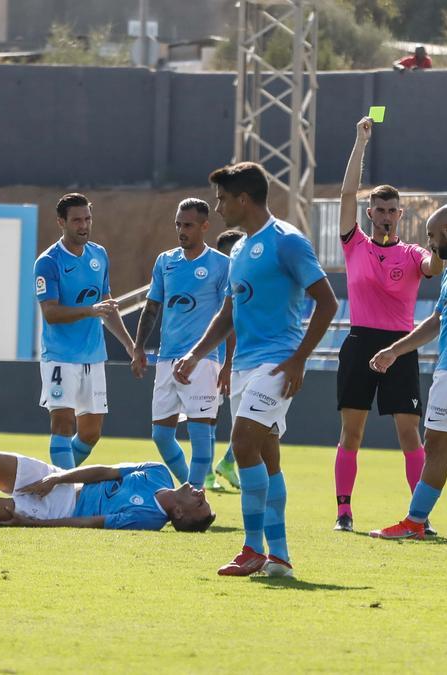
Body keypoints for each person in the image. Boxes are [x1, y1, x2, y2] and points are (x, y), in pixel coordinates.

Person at [174, 161, 337, 578]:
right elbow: (228, 312)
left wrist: (299, 358)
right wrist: (195, 354)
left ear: (243, 199)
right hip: (245, 365)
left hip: (276, 363)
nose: (219, 206)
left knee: (243, 443)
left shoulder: (287, 242)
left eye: (223, 199)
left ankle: (252, 548)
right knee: (266, 455)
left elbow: (328, 301)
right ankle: (279, 558)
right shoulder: (241, 249)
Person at [331, 116, 444, 533]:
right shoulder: (354, 243)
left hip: (401, 346)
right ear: (369, 213)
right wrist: (360, 143)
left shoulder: (413, 253)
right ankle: (344, 511)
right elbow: (346, 192)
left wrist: (444, 246)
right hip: (361, 342)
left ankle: (419, 516)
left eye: (392, 210)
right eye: (379, 210)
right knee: (352, 433)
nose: (386, 216)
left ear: (400, 214)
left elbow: (434, 265)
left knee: (409, 435)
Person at [367, 205, 447, 541]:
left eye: (431, 235)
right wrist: (396, 350)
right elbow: (437, 322)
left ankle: (415, 521)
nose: (429, 244)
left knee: (436, 442)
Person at [131, 198, 231, 490]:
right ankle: (191, 491)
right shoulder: (165, 262)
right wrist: (138, 347)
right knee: (161, 435)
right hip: (166, 359)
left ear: (204, 226)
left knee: (201, 438)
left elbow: (230, 318)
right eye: (178, 224)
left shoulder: (221, 265)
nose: (181, 230)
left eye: (187, 225)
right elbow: (152, 307)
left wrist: (228, 364)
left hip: (203, 361)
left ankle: (195, 496)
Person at [0, 452, 214, 532]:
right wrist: (56, 478)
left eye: (200, 502)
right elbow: (104, 470)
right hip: (60, 481)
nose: (200, 492)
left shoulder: (148, 519)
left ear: (179, 514)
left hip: (55, 511)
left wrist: (33, 524)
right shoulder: (156, 471)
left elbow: (91, 521)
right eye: (203, 495)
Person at [34, 193, 136, 470]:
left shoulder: (99, 254)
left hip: (93, 356)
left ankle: (56, 479)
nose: (84, 225)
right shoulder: (48, 262)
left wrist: (129, 345)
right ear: (61, 222)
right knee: (63, 423)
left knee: (91, 432)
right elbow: (51, 313)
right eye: (77, 220)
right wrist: (90, 310)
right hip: (60, 356)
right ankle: (63, 494)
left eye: (88, 218)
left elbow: (107, 304)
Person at [209, 228, 246, 490]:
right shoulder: (214, 282)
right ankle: (208, 474)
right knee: (208, 417)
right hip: (217, 359)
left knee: (247, 418)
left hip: (241, 358)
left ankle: (228, 462)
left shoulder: (242, 281)